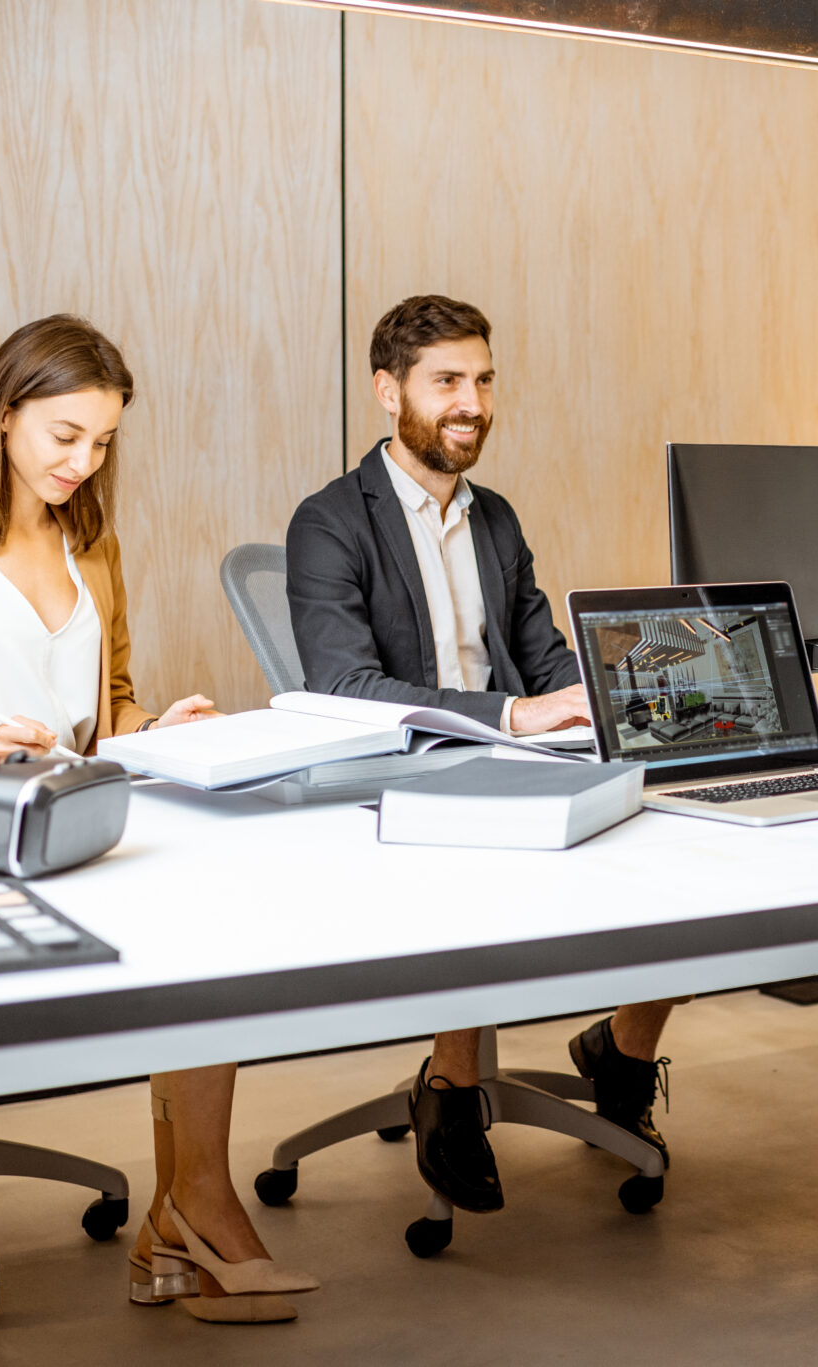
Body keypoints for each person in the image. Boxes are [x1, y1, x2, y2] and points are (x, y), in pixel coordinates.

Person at [0, 315, 318, 1324]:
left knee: (210, 924)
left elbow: (104, 717)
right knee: (187, 930)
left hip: (70, 819)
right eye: (64, 434)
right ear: (3, 414)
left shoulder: (89, 544)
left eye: (100, 441)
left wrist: (159, 725)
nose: (82, 460)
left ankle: (187, 1209)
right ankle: (192, 1218)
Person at [286, 294, 681, 1215]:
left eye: (484, 380)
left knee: (676, 835)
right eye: (448, 381)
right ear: (389, 393)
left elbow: (543, 657)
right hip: (404, 770)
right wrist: (515, 714)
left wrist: (622, 696)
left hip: (514, 753)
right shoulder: (330, 522)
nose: (473, 402)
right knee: (476, 871)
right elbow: (345, 690)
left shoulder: (495, 518)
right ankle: (452, 1086)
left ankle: (624, 1051)